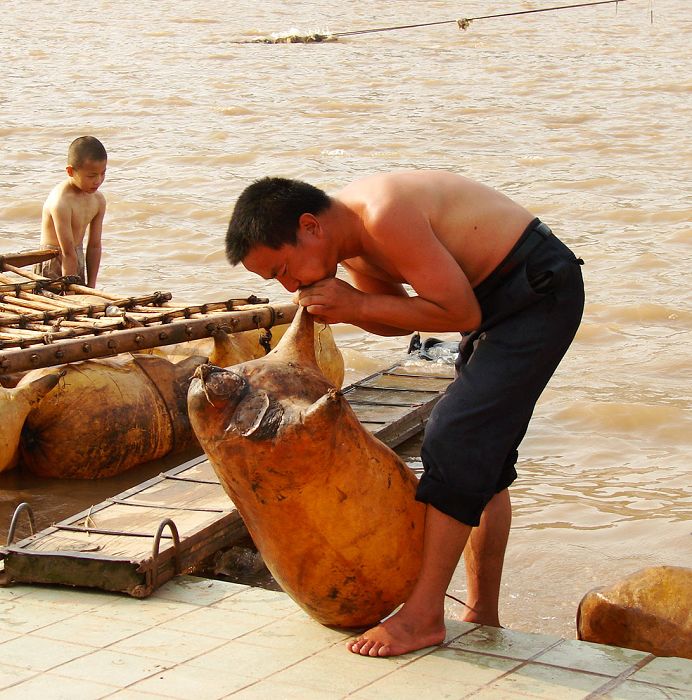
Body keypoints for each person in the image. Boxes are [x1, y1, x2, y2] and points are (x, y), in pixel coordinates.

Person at [225, 169, 584, 657]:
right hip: (494, 297)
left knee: (453, 436)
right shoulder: (347, 244)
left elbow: (460, 315)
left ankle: (423, 616)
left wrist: (356, 301)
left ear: (310, 226)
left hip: (537, 289)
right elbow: (397, 316)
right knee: (486, 461)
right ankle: (482, 612)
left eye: (282, 269)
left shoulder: (384, 213)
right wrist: (352, 309)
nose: (288, 284)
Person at [35, 136, 107, 287]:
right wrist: (69, 290)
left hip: (76, 257)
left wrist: (91, 286)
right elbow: (66, 252)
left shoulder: (98, 200)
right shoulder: (61, 202)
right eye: (91, 176)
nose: (98, 180)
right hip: (53, 262)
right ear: (70, 171)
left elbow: (94, 246)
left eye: (103, 173)